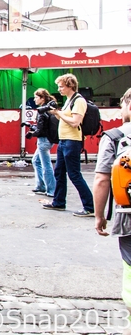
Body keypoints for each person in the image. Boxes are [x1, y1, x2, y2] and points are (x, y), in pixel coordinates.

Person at [93, 87, 131, 320]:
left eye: (123, 104)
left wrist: (99, 216)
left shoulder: (115, 137)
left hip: (128, 213)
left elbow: (102, 179)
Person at [43, 73, 94, 216]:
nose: (59, 89)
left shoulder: (79, 101)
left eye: (61, 87)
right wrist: (56, 114)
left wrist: (59, 114)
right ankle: (58, 202)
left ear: (70, 86)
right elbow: (66, 119)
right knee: (59, 172)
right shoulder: (68, 100)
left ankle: (89, 206)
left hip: (72, 141)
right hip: (64, 140)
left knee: (74, 174)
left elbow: (75, 122)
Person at [25, 89, 57, 198]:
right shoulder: (47, 110)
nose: (34, 99)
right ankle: (41, 185)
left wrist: (31, 133)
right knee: (36, 160)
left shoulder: (42, 112)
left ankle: (51, 189)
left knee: (46, 165)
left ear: (42, 98)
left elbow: (40, 130)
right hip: (47, 139)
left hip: (43, 140)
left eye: (36, 97)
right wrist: (31, 127)